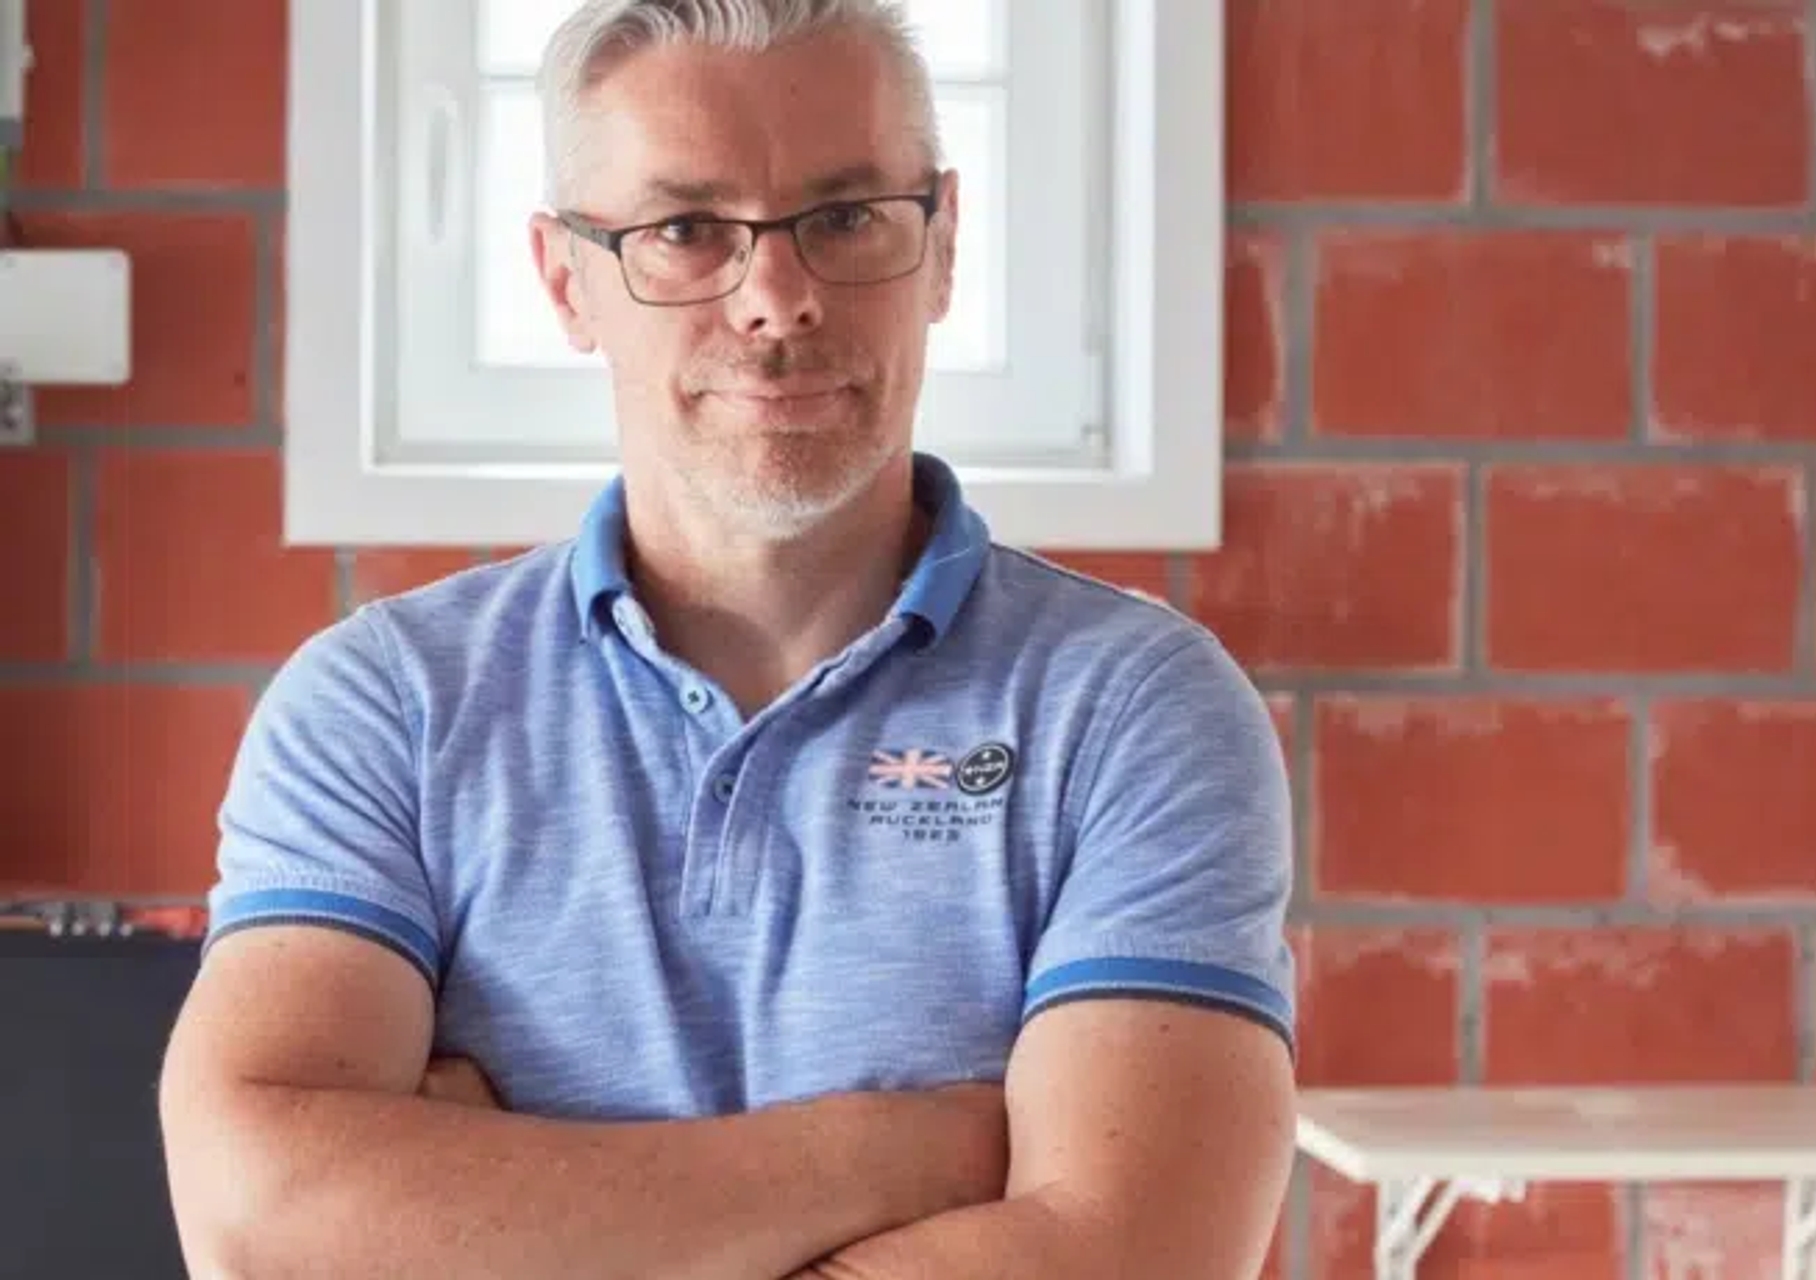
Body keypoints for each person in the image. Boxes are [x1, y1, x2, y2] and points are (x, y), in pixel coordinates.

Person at [157, 1, 1300, 1276]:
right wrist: (910, 1152)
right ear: (564, 279)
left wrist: (479, 1217)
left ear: (943, 246)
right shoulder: (387, 706)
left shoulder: (1136, 709)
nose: (778, 298)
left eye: (847, 215)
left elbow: (1131, 1254)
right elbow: (264, 1225)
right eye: (687, 229)